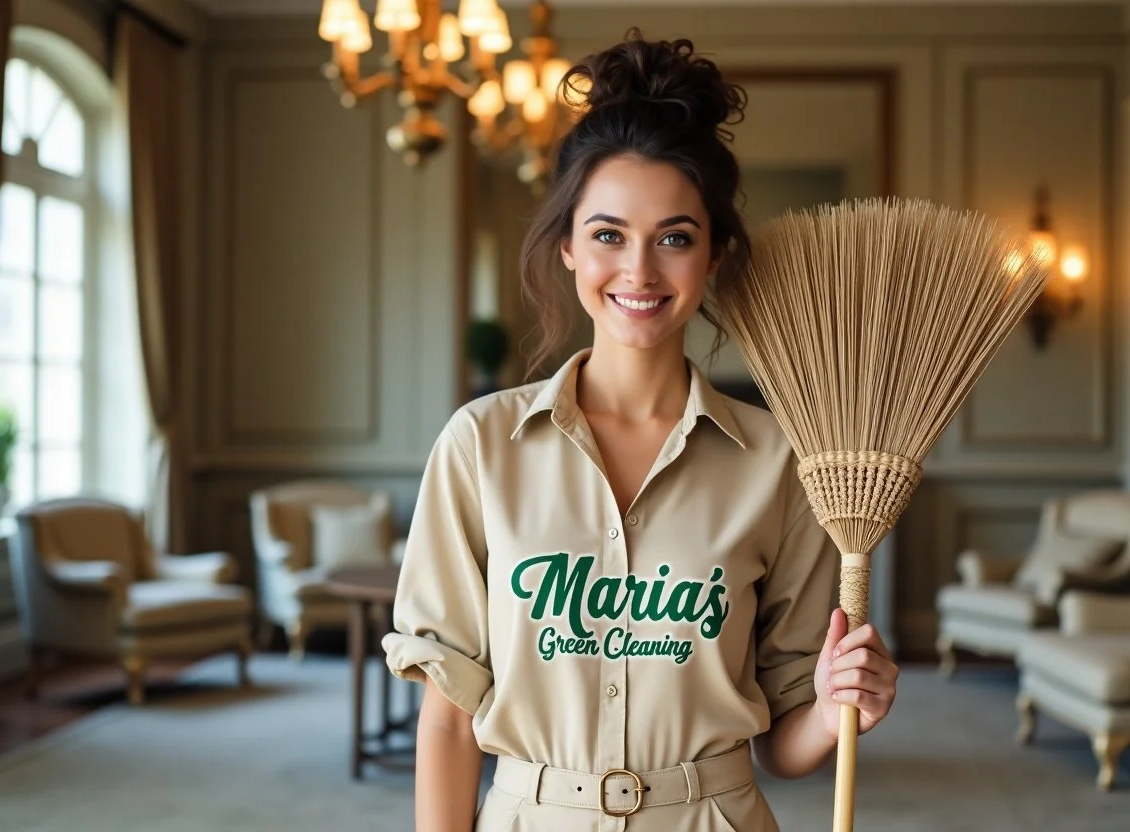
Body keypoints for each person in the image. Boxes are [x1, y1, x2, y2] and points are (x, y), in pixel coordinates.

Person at [385, 28, 898, 832]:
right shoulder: (479, 447)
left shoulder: (781, 462)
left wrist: (842, 708)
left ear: (714, 255)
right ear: (567, 245)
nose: (639, 271)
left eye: (675, 238)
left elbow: (785, 744)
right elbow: (449, 722)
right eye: (608, 235)